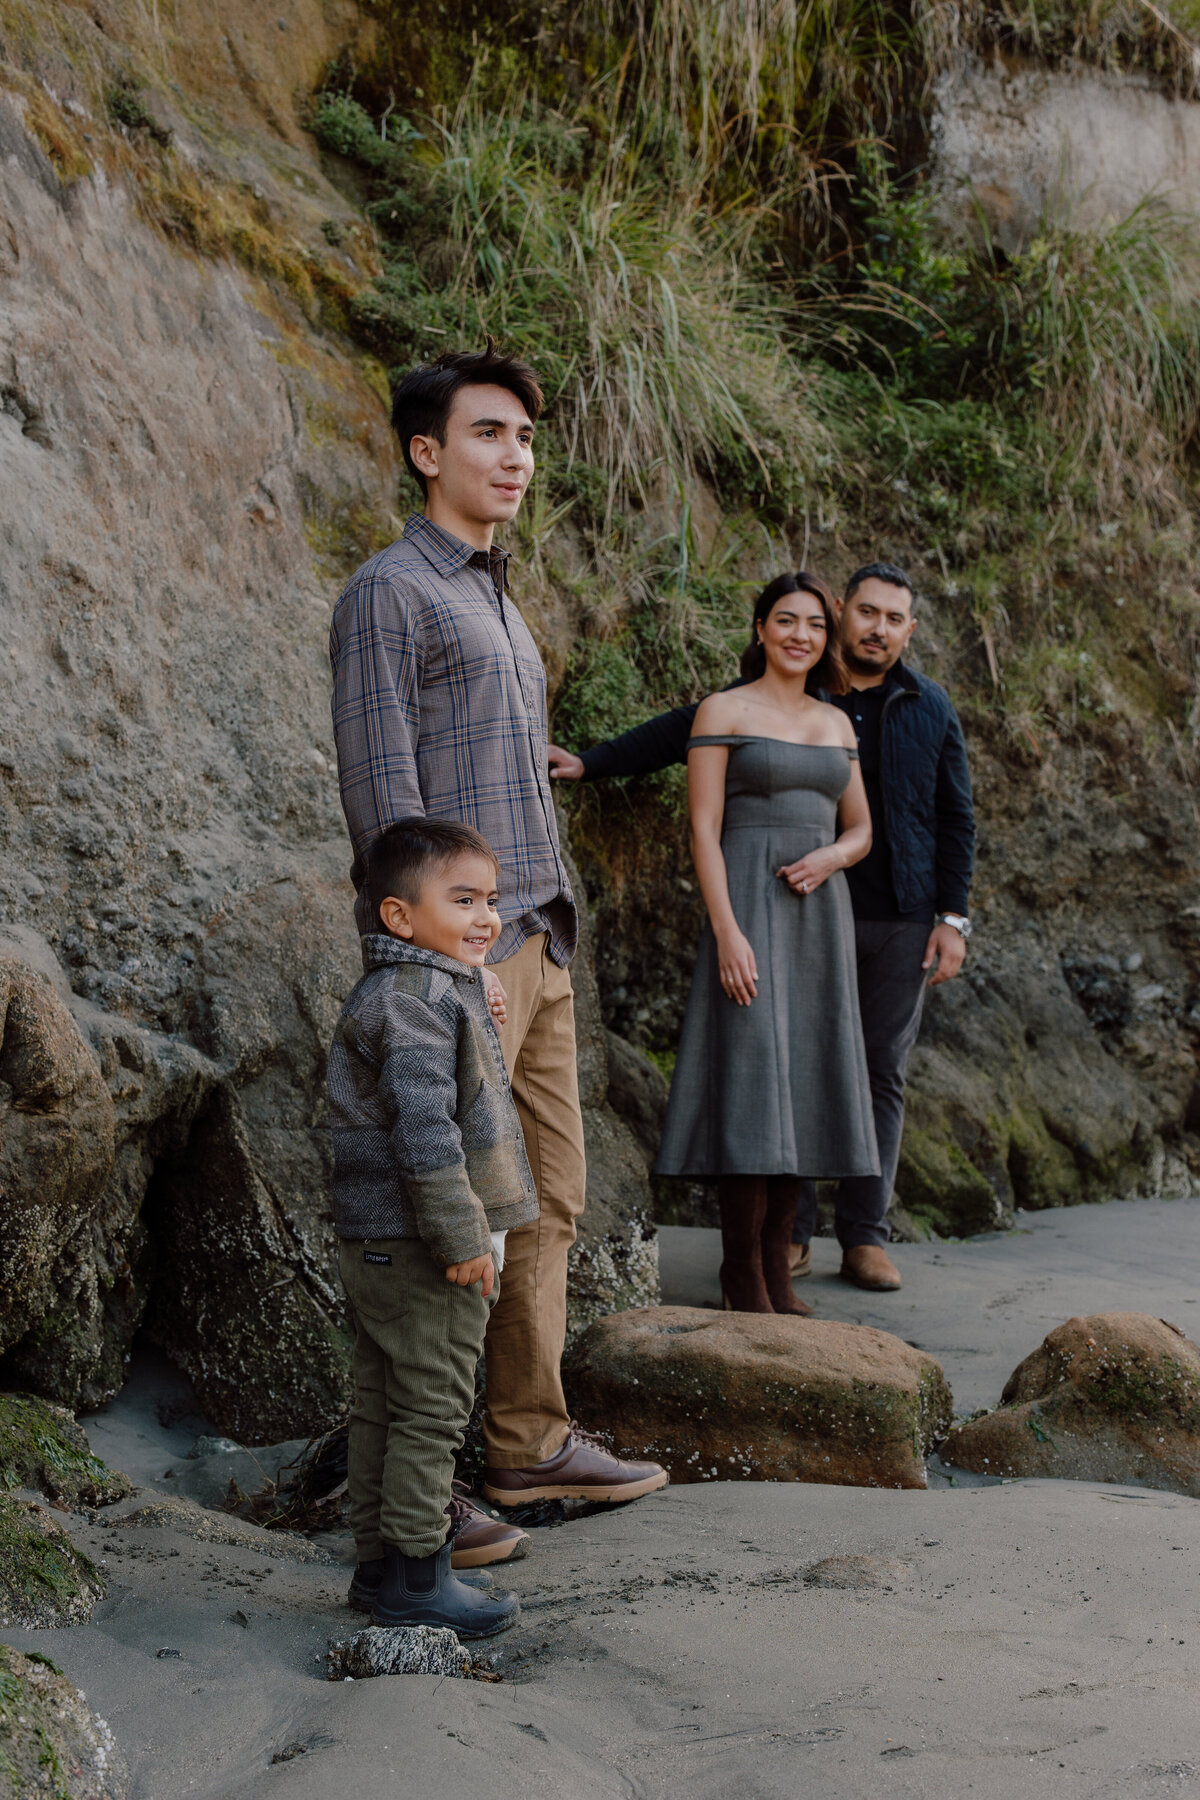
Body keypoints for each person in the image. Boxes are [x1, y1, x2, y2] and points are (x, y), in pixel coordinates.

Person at [329, 343, 666, 1524]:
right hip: (465, 959)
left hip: (539, 936)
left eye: (524, 437)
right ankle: (423, 1488)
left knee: (545, 1202)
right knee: (453, 1208)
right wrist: (436, 968)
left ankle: (528, 1444)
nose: (514, 456)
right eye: (488, 434)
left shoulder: (494, 594)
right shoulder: (391, 591)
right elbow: (385, 798)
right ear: (428, 453)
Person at [549, 562, 976, 1293]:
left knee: (862, 1073)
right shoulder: (750, 704)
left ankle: (863, 1238)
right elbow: (682, 743)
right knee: (766, 1071)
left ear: (908, 629)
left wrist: (949, 917)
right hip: (766, 900)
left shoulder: (923, 707)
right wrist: (592, 762)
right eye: (863, 612)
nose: (874, 627)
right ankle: (777, 1254)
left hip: (887, 915)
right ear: (843, 615)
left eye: (892, 618)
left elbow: (953, 815)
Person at [327, 817, 533, 1636]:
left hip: (377, 1242)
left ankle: (379, 1568)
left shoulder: (413, 990)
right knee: (432, 1409)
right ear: (399, 917)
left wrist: (472, 985)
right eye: (463, 900)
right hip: (423, 1246)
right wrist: (461, 1239)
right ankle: (418, 1576)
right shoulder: (416, 1005)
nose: (486, 917)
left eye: (490, 900)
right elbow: (426, 1131)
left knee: (382, 1401)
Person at [653, 574, 879, 1312]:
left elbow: (861, 829)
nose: (800, 635)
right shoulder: (724, 709)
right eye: (786, 620)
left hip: (818, 913)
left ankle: (780, 1271)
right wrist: (726, 932)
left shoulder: (837, 724)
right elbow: (702, 828)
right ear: (760, 628)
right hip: (746, 901)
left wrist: (832, 857)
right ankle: (740, 1270)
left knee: (810, 1080)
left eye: (815, 624)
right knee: (751, 1077)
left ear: (827, 637)